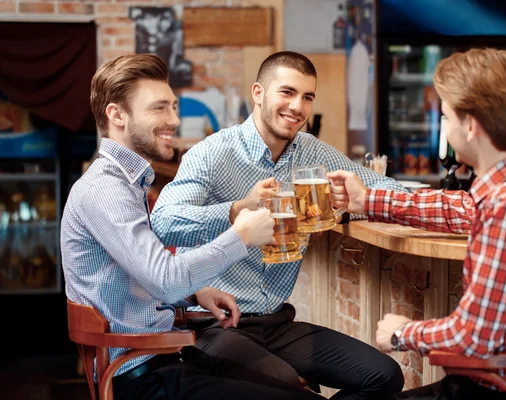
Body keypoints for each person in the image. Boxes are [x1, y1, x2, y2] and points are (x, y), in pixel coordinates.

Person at [61, 53, 325, 400]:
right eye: (159, 108)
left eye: (173, 107)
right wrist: (241, 236)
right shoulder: (106, 190)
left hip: (161, 359)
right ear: (117, 115)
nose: (173, 119)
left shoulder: (125, 182)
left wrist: (194, 293)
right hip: (140, 376)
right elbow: (166, 280)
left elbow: (136, 279)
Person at [327, 48, 506, 400]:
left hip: (501, 389)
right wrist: (368, 200)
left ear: (469, 125)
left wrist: (402, 332)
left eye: (446, 117)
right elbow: (460, 208)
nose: (443, 126)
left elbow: (474, 336)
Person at [151, 51, 406, 399]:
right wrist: (237, 210)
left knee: (385, 375)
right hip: (216, 324)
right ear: (258, 93)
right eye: (287, 92)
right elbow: (164, 221)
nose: (297, 107)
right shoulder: (213, 154)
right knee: (287, 386)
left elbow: (389, 189)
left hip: (277, 321)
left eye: (307, 97)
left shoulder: (313, 153)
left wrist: (346, 207)